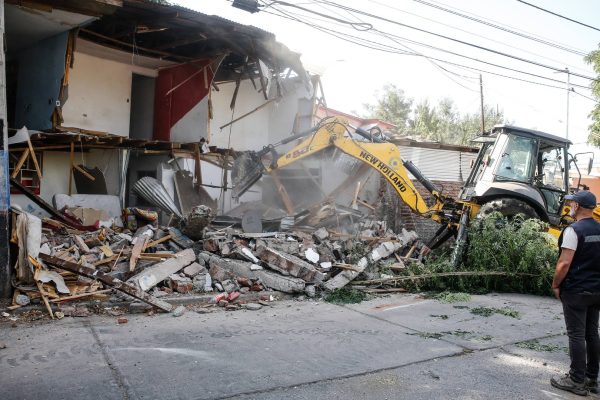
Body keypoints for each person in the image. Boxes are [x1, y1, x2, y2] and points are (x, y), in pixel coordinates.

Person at [551, 190, 600, 396]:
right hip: (597, 291)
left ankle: (576, 380)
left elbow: (564, 264)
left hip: (576, 290)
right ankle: (591, 379)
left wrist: (555, 285)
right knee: (592, 333)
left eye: (571, 204)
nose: (569, 207)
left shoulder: (573, 231)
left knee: (577, 334)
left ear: (578, 206)